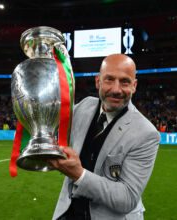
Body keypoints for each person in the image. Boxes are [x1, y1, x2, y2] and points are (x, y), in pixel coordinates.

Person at [49, 54, 160, 220]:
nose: (116, 89)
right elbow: (57, 128)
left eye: (125, 82)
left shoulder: (146, 133)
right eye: (109, 79)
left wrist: (79, 174)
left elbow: (127, 198)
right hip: (68, 211)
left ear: (134, 85)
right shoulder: (85, 106)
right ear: (97, 81)